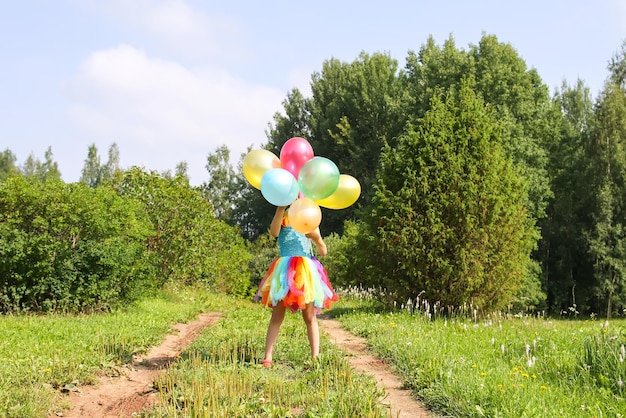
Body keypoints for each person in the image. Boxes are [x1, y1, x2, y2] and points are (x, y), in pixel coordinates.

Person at [255, 205, 338, 368]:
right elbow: (274, 232)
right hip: (285, 270)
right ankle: (268, 356)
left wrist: (316, 237)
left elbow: (323, 251)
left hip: (305, 271)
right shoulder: (284, 215)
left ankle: (315, 357)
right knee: (277, 315)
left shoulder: (310, 217)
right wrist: (280, 209)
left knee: (309, 316)